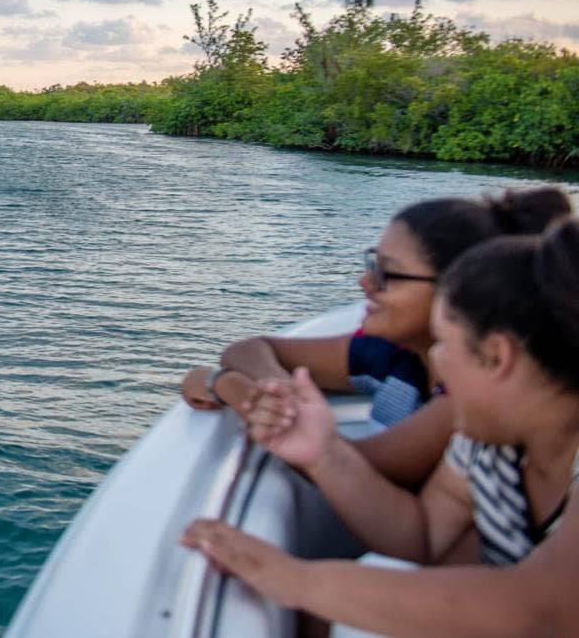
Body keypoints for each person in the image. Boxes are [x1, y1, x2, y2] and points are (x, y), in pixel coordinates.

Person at [181, 218, 579, 637]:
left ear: (498, 357)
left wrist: (295, 579)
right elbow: (424, 536)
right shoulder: (486, 444)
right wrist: (322, 454)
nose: (437, 364)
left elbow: (547, 607)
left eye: (443, 344)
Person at [180, 189, 572, 488]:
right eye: (371, 265)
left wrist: (228, 387)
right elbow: (249, 349)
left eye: (387, 273)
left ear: (458, 290)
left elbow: (349, 463)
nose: (365, 283)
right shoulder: (391, 353)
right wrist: (281, 392)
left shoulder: (468, 398)